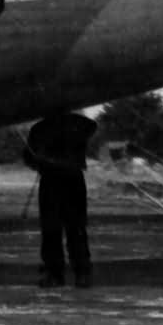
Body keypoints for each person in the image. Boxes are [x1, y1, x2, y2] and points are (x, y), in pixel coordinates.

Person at [24, 113, 95, 288]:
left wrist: (41, 161)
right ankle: (81, 273)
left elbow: (29, 157)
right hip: (72, 178)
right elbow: (92, 126)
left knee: (52, 229)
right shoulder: (80, 124)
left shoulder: (39, 129)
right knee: (75, 228)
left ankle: (55, 274)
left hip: (52, 180)